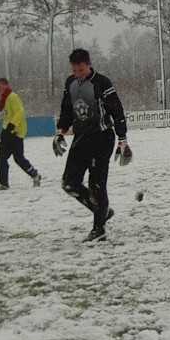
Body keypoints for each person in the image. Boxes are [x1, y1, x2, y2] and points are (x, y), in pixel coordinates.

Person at [53, 49, 130, 242]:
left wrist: (122, 138)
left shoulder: (102, 83)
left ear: (89, 65)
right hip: (81, 138)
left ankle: (99, 229)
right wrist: (61, 131)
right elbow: (66, 109)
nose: (78, 73)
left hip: (102, 138)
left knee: (97, 186)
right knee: (69, 183)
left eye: (81, 69)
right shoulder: (70, 83)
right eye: (74, 70)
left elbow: (117, 110)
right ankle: (103, 211)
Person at [0, 77, 41, 190]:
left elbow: (19, 112)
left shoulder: (13, 97)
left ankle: (35, 174)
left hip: (15, 132)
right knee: (3, 158)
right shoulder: (5, 98)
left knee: (18, 158)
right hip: (8, 130)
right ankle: (4, 184)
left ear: (5, 85)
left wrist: (11, 126)